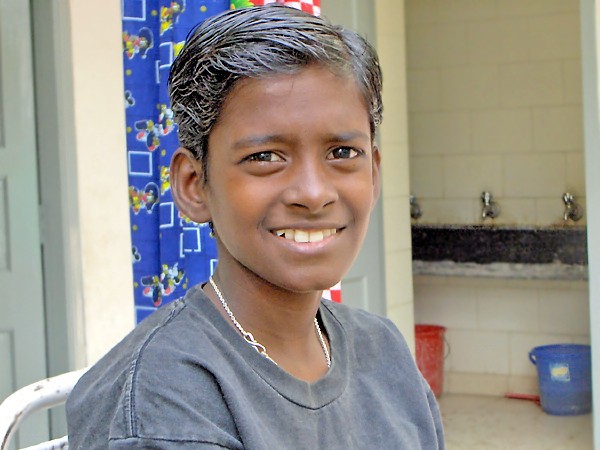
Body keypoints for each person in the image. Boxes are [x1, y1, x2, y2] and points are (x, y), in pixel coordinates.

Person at [66, 5, 445, 449]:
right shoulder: (164, 399)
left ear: (374, 174)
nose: (314, 193)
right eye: (264, 157)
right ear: (194, 185)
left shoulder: (383, 349)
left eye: (342, 153)